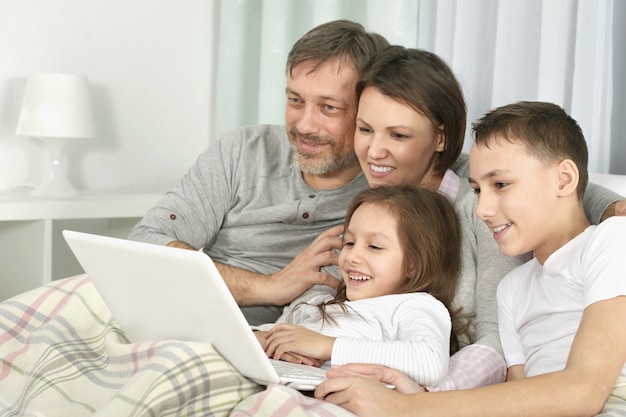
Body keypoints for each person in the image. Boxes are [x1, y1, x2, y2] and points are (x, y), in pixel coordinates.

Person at [315, 101, 626, 416]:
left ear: (563, 179)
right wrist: (415, 392)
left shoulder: (611, 240)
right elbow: (515, 398)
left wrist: (410, 406)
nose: (482, 210)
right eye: (477, 190)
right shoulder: (513, 288)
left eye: (501, 184)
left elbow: (583, 392)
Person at [129, 20, 390, 326]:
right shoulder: (244, 149)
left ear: (368, 111)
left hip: (250, 339)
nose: (304, 125)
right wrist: (270, 286)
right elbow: (144, 246)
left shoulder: (384, 188)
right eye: (295, 100)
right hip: (168, 310)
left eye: (328, 108)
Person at [253, 185, 469, 387]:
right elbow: (259, 335)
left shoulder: (415, 305)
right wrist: (270, 342)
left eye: (374, 246)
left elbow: (428, 362)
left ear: (414, 264)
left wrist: (325, 346)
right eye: (349, 243)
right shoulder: (320, 304)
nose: (353, 256)